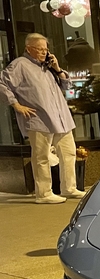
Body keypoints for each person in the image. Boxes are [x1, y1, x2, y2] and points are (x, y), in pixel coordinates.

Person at [0, 33, 85, 204]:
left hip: (60, 117)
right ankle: (44, 193)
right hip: (39, 117)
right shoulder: (20, 65)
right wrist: (16, 105)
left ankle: (69, 188)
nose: (43, 53)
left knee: (68, 153)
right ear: (28, 48)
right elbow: (2, 83)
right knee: (41, 156)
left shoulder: (48, 67)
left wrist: (57, 68)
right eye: (39, 49)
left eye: (46, 49)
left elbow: (67, 86)